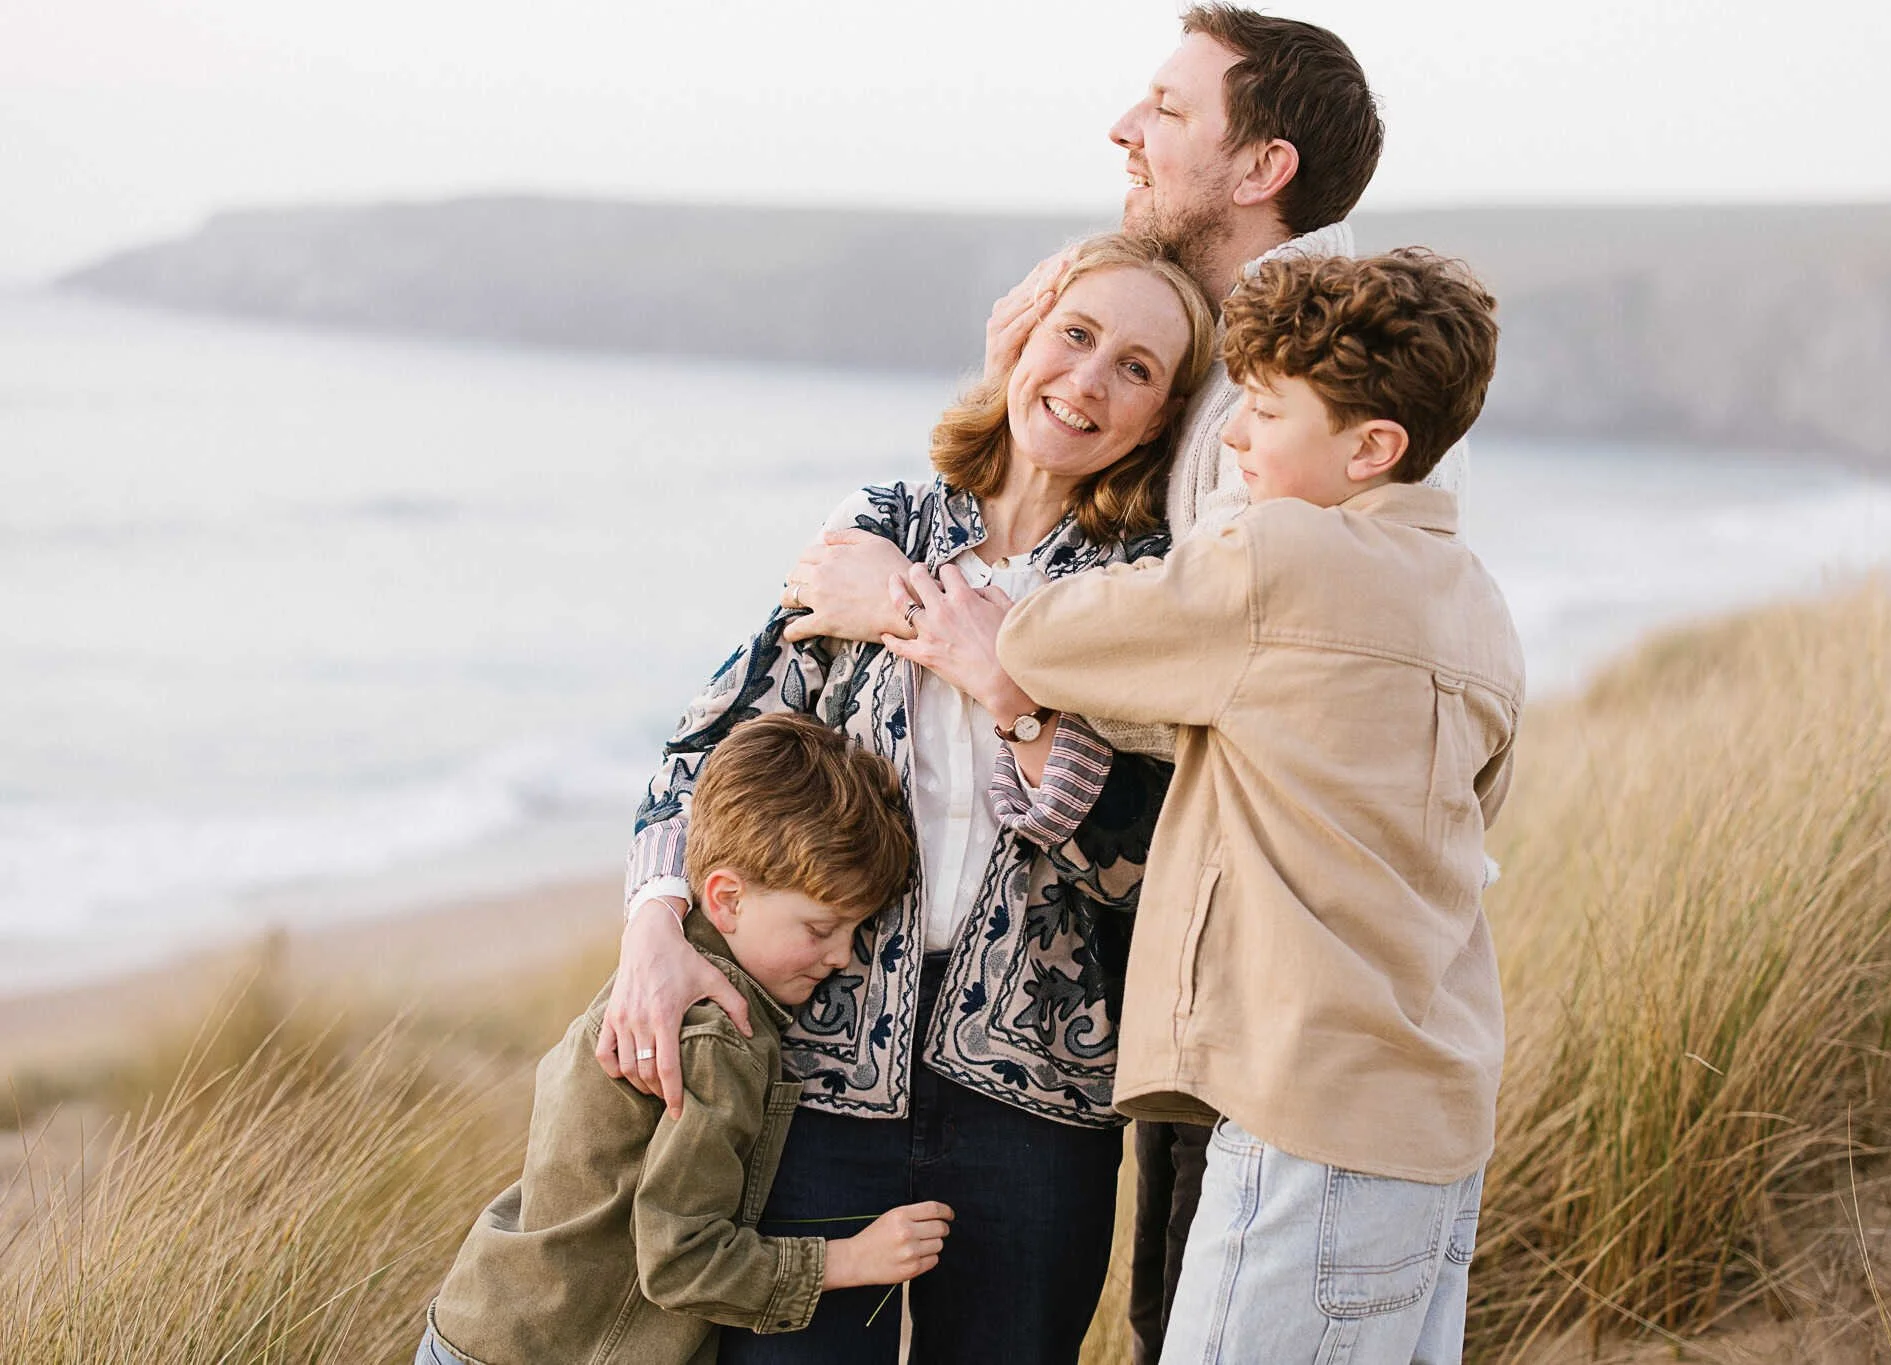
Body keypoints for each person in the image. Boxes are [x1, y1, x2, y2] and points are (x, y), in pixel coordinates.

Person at [786, 9, 1470, 1357]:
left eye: (1165, 107)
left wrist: (939, 625)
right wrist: (1008, 410)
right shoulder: (1241, 383)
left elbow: (1206, 677)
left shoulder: (1258, 416)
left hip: (1260, 1004)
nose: (1125, 130)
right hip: (1253, 993)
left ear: (1259, 165)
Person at [601, 233, 1217, 1362]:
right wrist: (653, 929)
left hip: (1041, 1101)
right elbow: (707, 748)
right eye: (1074, 336)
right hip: (811, 1075)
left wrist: (1002, 686)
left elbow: (1148, 863)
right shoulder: (882, 525)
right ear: (1019, 342)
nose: (1087, 379)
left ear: (1163, 414)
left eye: (1135, 367)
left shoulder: (1151, 590)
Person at [994, 249, 1523, 1364]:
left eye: (1265, 411)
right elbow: (1476, 813)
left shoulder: (1277, 556)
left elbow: (1040, 638)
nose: (1231, 439)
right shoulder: (1479, 605)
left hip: (1307, 1123)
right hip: (1434, 1126)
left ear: (1370, 448)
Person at [417, 715, 942, 1365]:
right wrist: (851, 1259)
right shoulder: (717, 1036)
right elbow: (679, 1261)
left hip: (484, 1326)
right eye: (820, 927)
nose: (840, 954)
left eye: (856, 932)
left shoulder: (659, 975)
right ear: (727, 896)